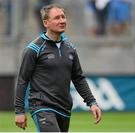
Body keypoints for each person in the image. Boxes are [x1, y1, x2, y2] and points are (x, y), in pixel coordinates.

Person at [14, 4, 101, 132]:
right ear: (46, 23)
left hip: (64, 108)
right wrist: (19, 111)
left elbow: (78, 78)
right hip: (41, 106)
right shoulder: (33, 49)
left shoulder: (70, 49)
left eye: (63, 17)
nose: (62, 21)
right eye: (57, 18)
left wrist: (92, 103)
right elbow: (22, 80)